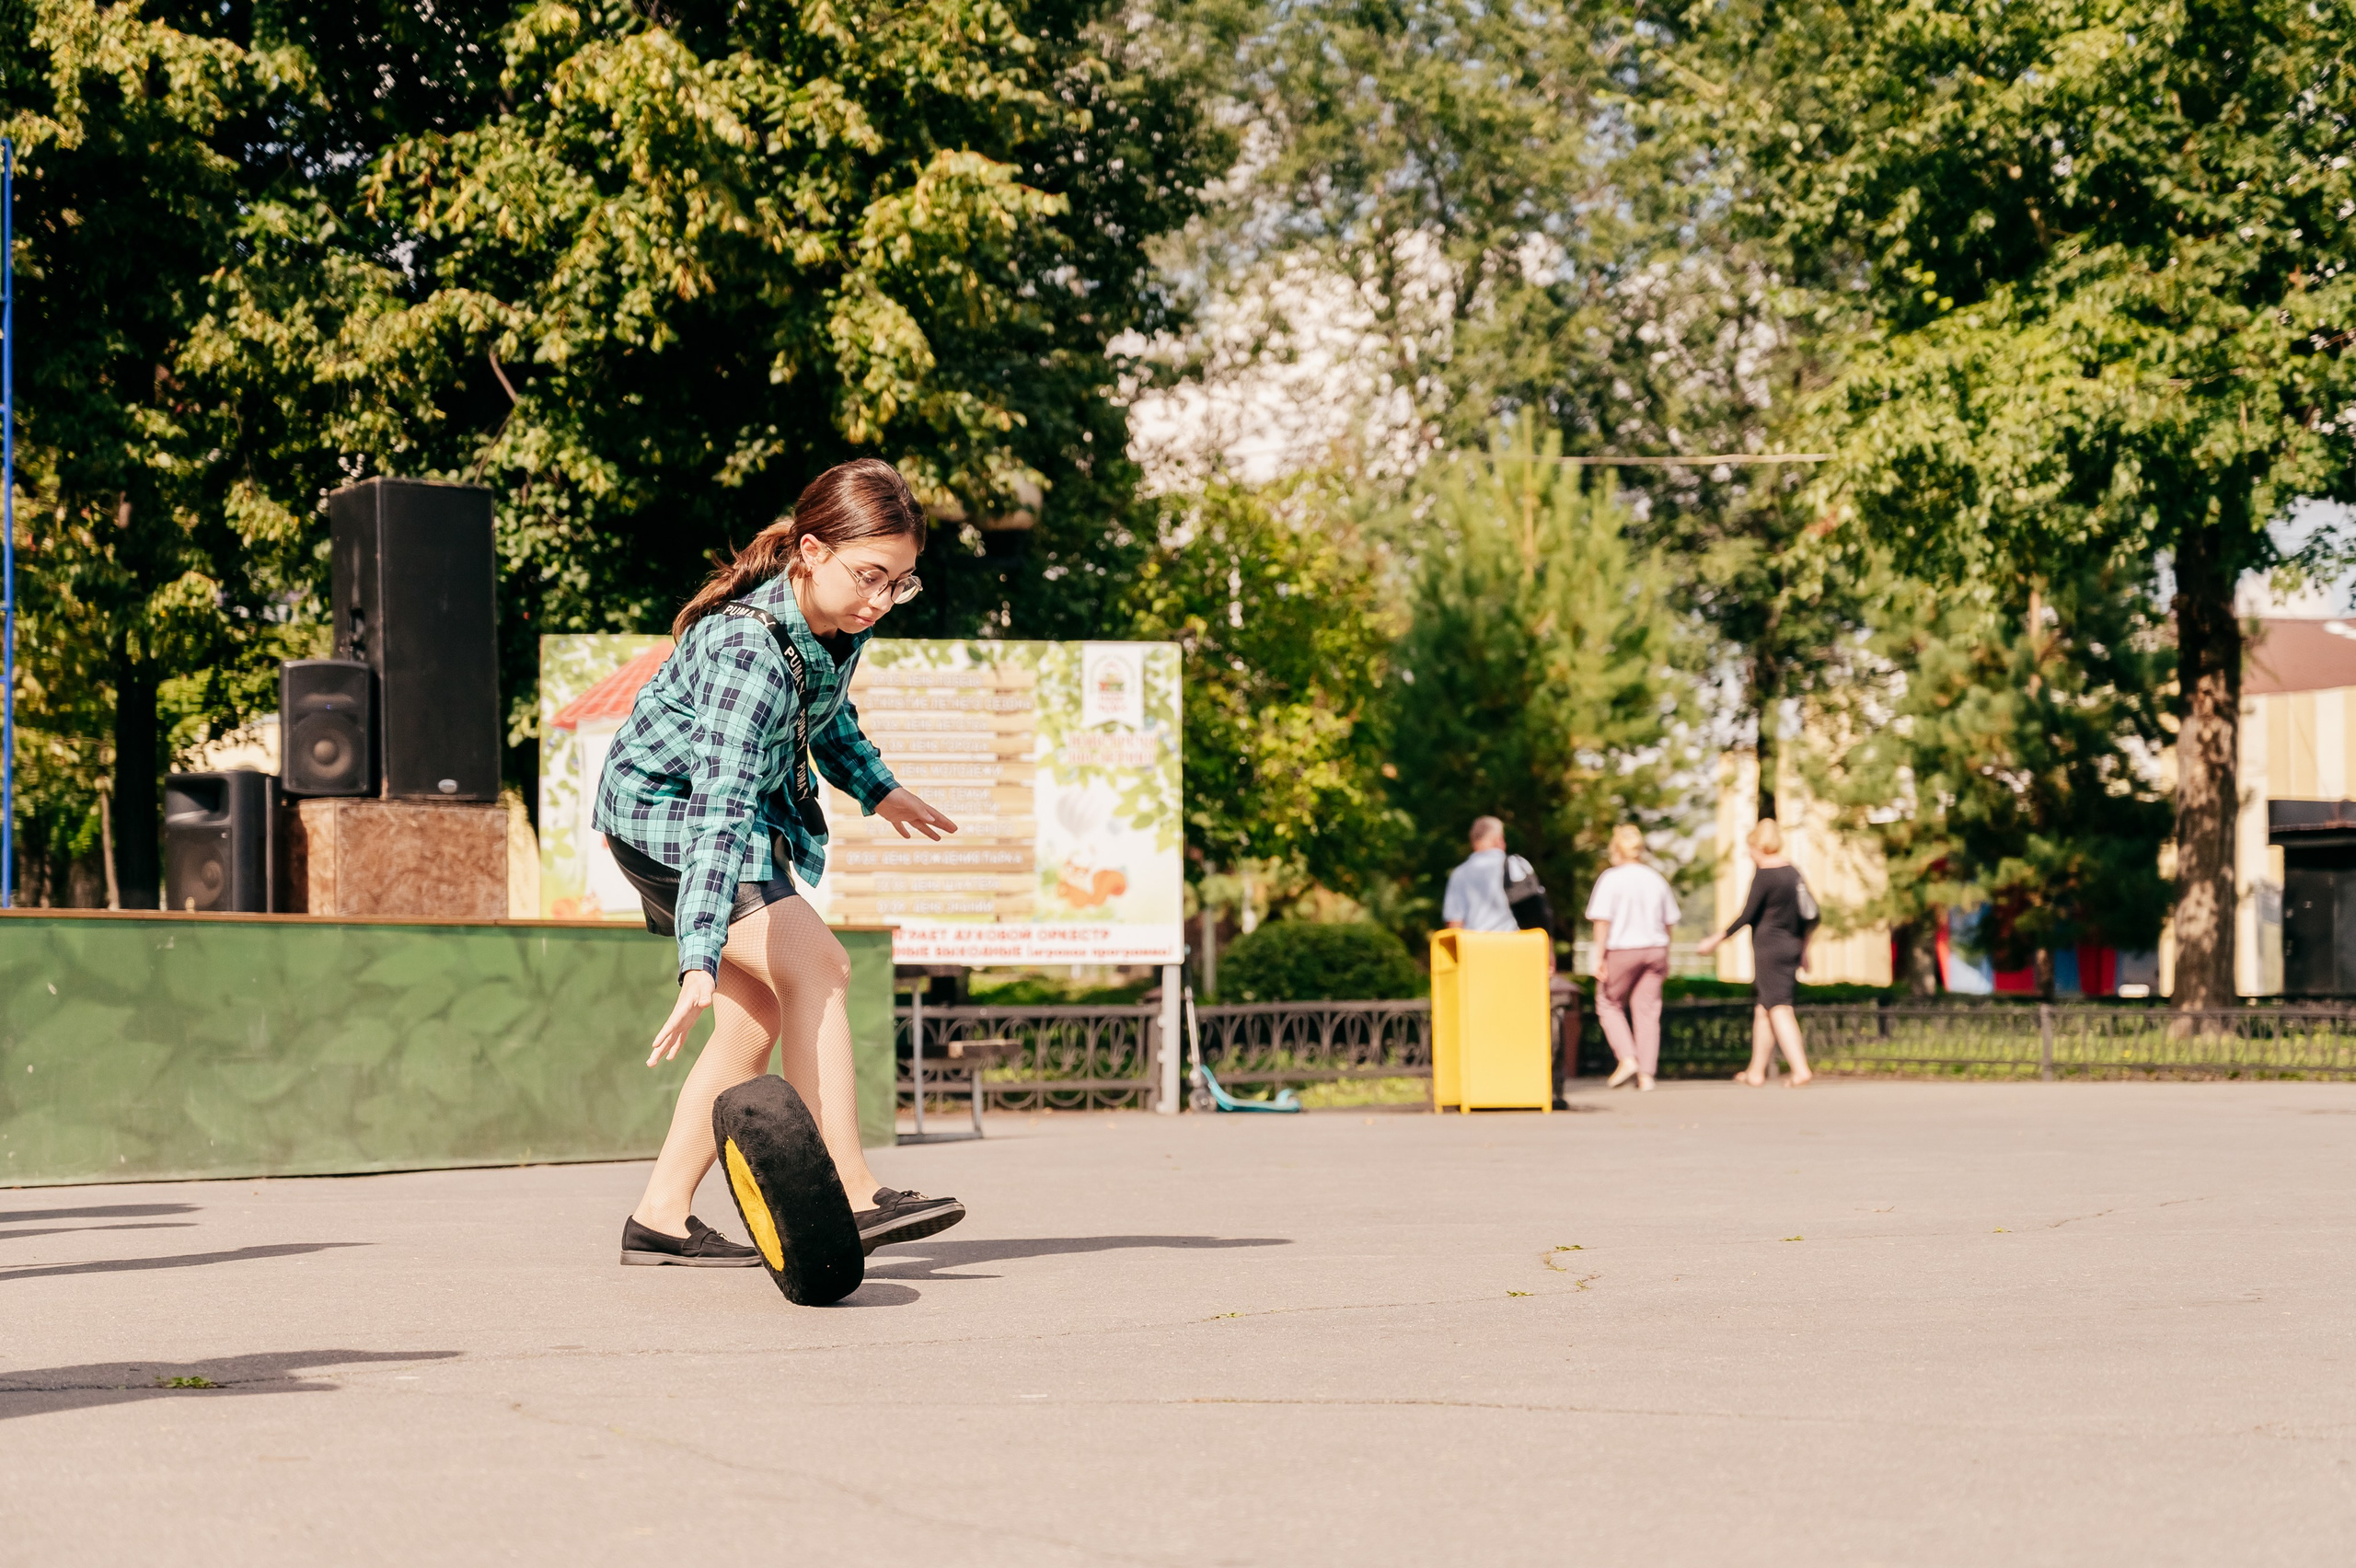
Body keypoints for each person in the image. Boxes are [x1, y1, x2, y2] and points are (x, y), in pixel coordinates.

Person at [597, 459, 969, 1267]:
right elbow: (719, 809)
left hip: (722, 819)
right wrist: (699, 957)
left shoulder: (841, 621)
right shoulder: (743, 648)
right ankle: (853, 1187)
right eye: (870, 576)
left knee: (758, 1018)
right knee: (821, 967)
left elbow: (826, 716)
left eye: (900, 584)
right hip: (667, 818)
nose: (880, 601)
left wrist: (881, 789)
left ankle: (659, 1216)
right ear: (810, 550)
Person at [1697, 818, 1818, 1088]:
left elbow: (1747, 916)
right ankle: (1755, 1071)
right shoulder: (1793, 873)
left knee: (1779, 1008)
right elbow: (1811, 914)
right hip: (1791, 945)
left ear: (1759, 847)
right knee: (1764, 1008)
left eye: (1750, 850)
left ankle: (1800, 1069)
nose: (1750, 856)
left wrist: (1715, 940)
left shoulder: (1765, 874)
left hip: (1770, 949)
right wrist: (1805, 949)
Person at [1584, 824, 1680, 1091]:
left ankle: (1627, 1058)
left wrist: (1598, 957)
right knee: (1647, 1010)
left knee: (1607, 1001)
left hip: (1623, 949)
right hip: (1656, 948)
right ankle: (1647, 1075)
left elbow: (1602, 922)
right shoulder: (1656, 878)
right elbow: (1669, 921)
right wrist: (1666, 953)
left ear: (1616, 850)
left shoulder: (1611, 879)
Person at [1442, 816, 1520, 932]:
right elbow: (1536, 910)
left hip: (1475, 946)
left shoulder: (1460, 873)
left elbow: (1454, 923)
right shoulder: (1515, 865)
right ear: (1498, 840)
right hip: (1513, 944)